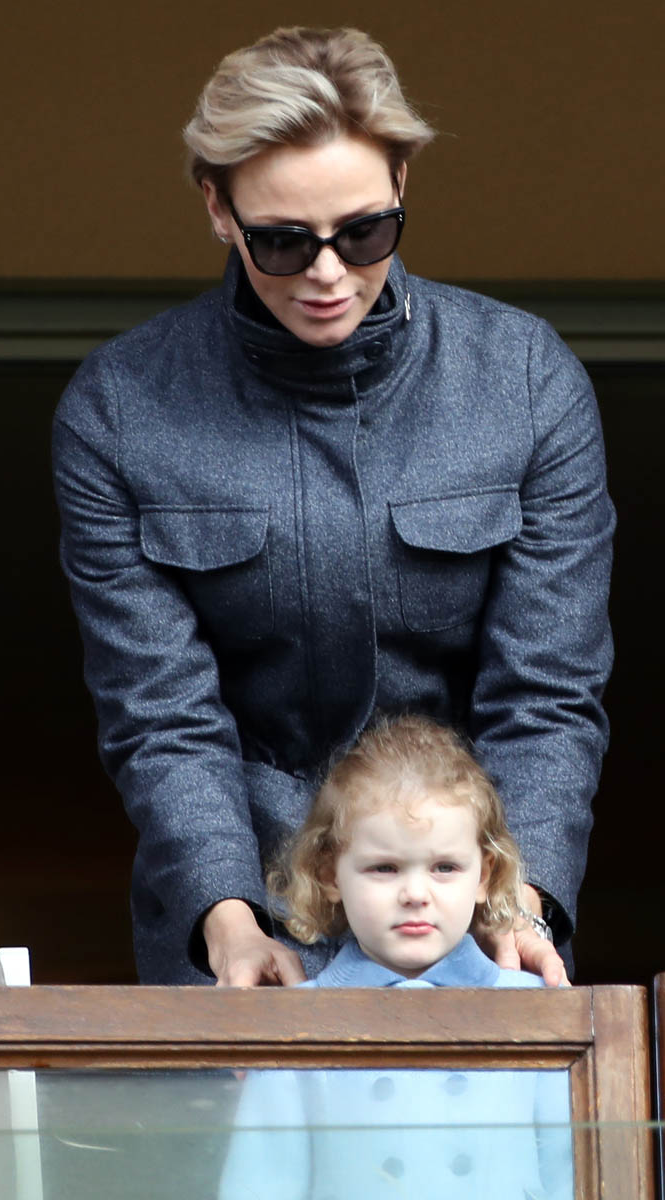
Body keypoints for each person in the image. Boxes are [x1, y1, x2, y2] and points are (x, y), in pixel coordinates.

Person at [52, 26, 614, 987]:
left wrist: (518, 902)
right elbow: (161, 715)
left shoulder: (524, 381)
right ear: (217, 207)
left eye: (363, 235)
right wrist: (222, 916)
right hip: (244, 914)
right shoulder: (119, 411)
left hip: (471, 909)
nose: (325, 274)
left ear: (402, 183)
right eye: (281, 240)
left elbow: (546, 693)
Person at [218, 715, 573, 1200]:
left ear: (485, 876)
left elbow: (573, 1174)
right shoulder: (295, 1023)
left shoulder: (536, 1011)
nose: (415, 893)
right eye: (384, 868)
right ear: (330, 875)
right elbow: (261, 1185)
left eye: (445, 867)